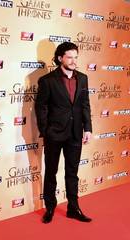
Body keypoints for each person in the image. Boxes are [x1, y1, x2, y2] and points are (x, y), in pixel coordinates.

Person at [35, 42, 93, 224]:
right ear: (60, 58)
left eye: (76, 57)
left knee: (72, 172)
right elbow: (41, 107)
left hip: (75, 133)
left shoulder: (83, 78)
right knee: (51, 171)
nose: (73, 61)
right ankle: (50, 207)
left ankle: (73, 208)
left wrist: (88, 128)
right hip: (54, 133)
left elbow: (85, 105)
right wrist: (45, 131)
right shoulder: (47, 80)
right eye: (69, 57)